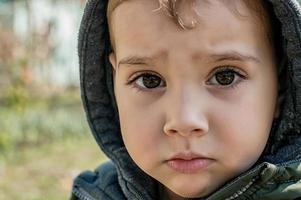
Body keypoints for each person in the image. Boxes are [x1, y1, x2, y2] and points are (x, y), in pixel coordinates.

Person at [71, 0, 301, 199]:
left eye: (224, 76)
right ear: (114, 83)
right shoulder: (95, 193)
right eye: (149, 80)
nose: (184, 121)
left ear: (280, 86)